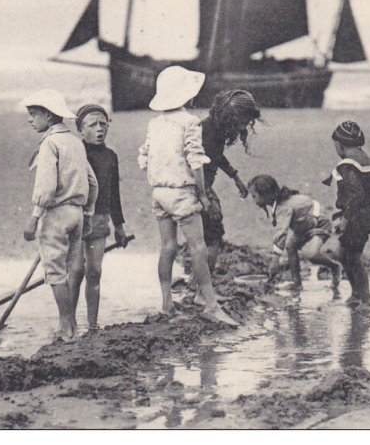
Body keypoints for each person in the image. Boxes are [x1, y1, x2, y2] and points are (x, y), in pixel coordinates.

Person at [138, 66, 238, 327]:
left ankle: (167, 304)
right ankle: (211, 305)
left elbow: (143, 157)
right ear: (187, 96)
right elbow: (196, 161)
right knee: (198, 247)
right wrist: (202, 195)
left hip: (159, 192)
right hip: (182, 192)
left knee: (168, 246)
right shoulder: (190, 122)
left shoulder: (155, 122)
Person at [22, 89, 98, 341]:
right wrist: (87, 215)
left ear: (47, 114)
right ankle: (72, 324)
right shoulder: (76, 142)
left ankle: (67, 327)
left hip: (55, 215)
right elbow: (92, 182)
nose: (30, 120)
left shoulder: (50, 144)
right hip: (77, 213)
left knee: (55, 273)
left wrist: (34, 219)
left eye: (33, 115)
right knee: (73, 268)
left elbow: (45, 188)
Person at [69, 104, 131, 333]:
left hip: (100, 219)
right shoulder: (76, 154)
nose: (99, 129)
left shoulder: (110, 157)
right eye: (92, 125)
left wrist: (120, 227)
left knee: (94, 271)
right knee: (76, 270)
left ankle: (93, 325)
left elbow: (114, 194)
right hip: (76, 220)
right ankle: (69, 322)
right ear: (80, 130)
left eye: (102, 124)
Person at [200, 89, 261, 273]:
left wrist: (236, 177)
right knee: (212, 237)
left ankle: (202, 284)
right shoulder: (207, 133)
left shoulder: (213, 127)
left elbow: (216, 156)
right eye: (242, 123)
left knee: (207, 236)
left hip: (201, 187)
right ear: (230, 116)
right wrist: (208, 200)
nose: (243, 128)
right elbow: (196, 168)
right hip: (198, 188)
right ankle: (203, 287)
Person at [247, 174, 342, 291]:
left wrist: (275, 260)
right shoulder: (280, 202)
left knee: (311, 254)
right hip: (302, 226)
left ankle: (335, 266)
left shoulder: (283, 207)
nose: (253, 200)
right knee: (290, 246)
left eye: (254, 196)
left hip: (319, 223)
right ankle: (297, 283)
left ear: (265, 194)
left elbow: (282, 233)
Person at [323, 121, 370, 310]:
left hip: (358, 215)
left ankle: (367, 300)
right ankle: (356, 294)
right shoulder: (367, 160)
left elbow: (356, 194)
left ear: (339, 145)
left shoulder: (346, 165)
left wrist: (345, 219)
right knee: (342, 253)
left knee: (353, 256)